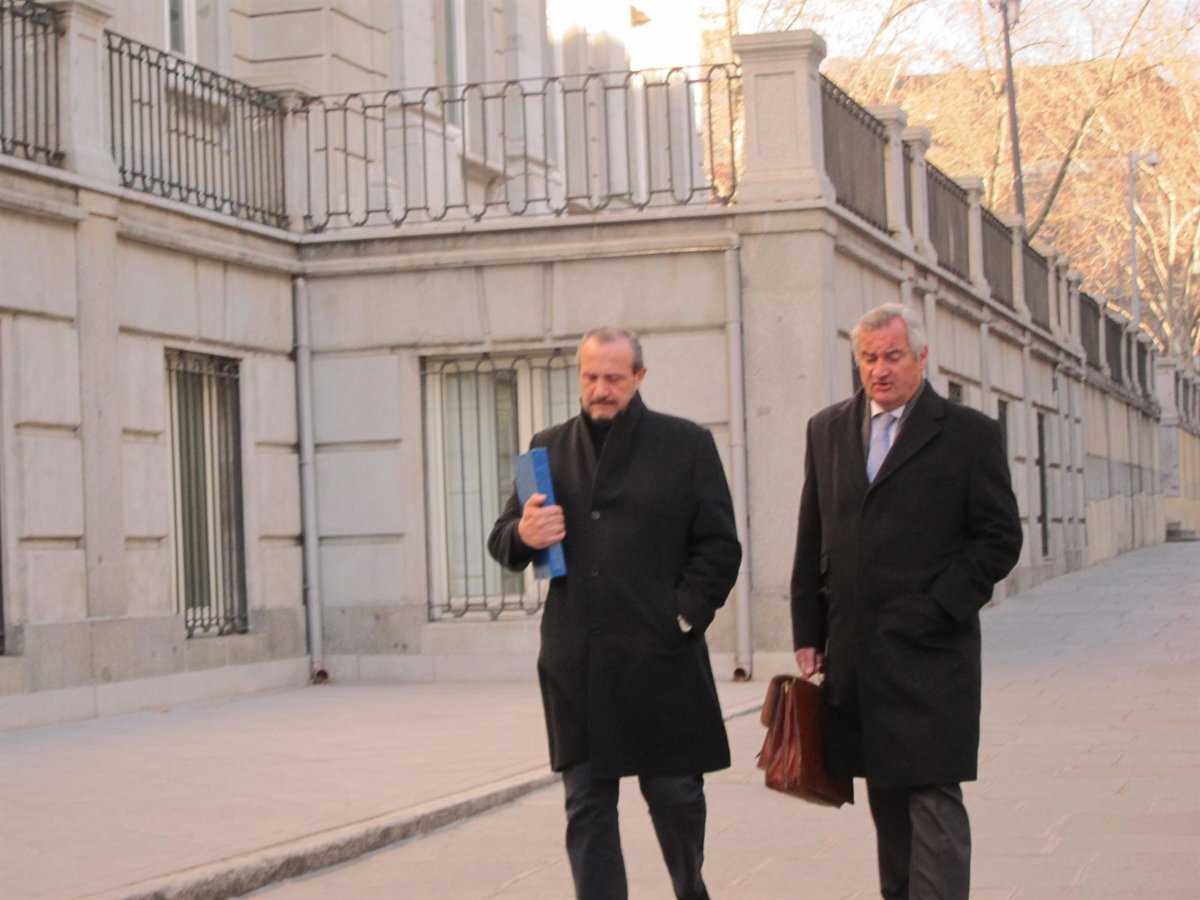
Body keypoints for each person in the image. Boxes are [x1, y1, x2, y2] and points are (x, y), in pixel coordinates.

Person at [488, 326, 741, 900]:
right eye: (590, 377)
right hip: (577, 665)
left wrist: (682, 617)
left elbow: (720, 548)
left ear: (639, 377)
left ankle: (691, 889)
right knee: (587, 807)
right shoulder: (547, 448)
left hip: (662, 662)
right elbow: (504, 540)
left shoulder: (687, 444)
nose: (600, 389)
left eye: (613, 378)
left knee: (676, 797)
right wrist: (524, 533)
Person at [790, 302, 1023, 900]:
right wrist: (807, 629)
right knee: (887, 800)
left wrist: (939, 606)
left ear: (922, 357)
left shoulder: (969, 435)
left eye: (892, 356)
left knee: (934, 798)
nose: (880, 369)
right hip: (857, 654)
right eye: (868, 358)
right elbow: (812, 533)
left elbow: (999, 538)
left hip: (932, 655)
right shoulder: (827, 429)